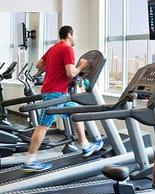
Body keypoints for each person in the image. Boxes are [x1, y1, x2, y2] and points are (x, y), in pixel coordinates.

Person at [24, 25, 103, 172]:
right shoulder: (67, 49)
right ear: (69, 35)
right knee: (43, 126)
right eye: (75, 35)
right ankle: (29, 161)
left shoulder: (53, 48)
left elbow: (39, 64)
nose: (76, 38)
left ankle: (85, 144)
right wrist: (82, 66)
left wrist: (55, 68)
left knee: (77, 112)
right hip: (55, 93)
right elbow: (71, 73)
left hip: (57, 92)